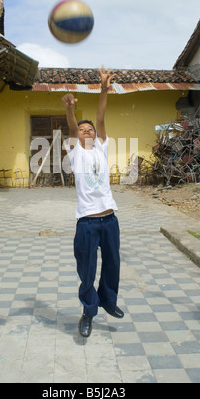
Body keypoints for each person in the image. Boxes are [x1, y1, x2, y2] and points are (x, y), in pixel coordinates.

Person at [62, 67, 124, 339]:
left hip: (110, 219)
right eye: (83, 129)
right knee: (87, 271)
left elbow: (100, 116)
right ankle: (89, 311)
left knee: (112, 264)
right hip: (87, 221)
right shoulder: (76, 152)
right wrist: (70, 110)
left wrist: (103, 89)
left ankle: (108, 301)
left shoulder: (101, 147)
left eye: (90, 130)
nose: (87, 131)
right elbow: (74, 127)